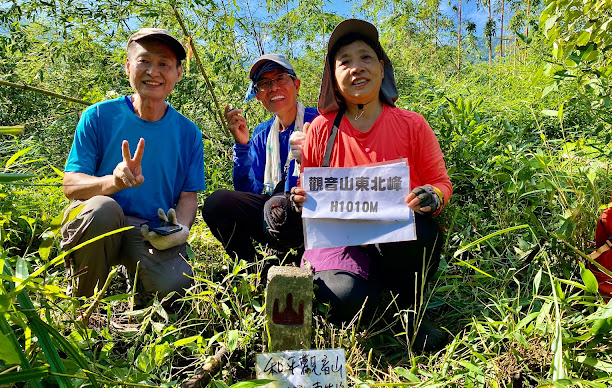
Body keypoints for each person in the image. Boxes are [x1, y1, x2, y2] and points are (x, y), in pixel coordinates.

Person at [291, 19, 453, 351]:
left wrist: (433, 196)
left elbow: (440, 182)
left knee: (423, 234)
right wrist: (300, 197)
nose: (356, 68)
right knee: (345, 299)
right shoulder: (321, 129)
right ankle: (370, 300)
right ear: (333, 78)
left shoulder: (412, 124)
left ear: (381, 68)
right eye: (345, 62)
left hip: (394, 240)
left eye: (365, 58)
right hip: (339, 241)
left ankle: (408, 311)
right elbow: (305, 184)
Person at [61, 28, 205, 302]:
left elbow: (188, 197)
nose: (153, 71)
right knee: (103, 209)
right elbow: (70, 185)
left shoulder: (188, 133)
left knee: (176, 286)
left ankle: (138, 283)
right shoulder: (98, 116)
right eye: (144, 61)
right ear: (128, 66)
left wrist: (181, 230)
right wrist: (112, 182)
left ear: (178, 73)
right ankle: (82, 304)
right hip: (99, 221)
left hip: (149, 231)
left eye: (164, 64)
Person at [202, 54, 318, 262]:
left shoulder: (319, 121)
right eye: (264, 83)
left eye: (280, 78)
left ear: (296, 85)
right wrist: (242, 145)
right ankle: (255, 267)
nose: (273, 87)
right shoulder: (262, 133)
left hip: (313, 210)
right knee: (217, 203)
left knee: (280, 205)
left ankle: (308, 258)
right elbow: (248, 191)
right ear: (258, 95)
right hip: (274, 213)